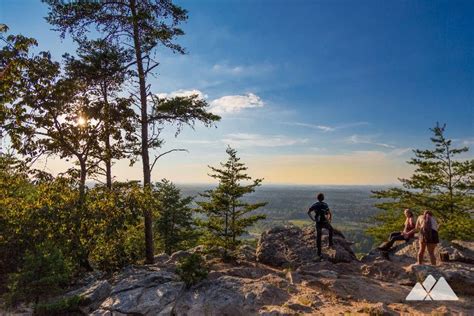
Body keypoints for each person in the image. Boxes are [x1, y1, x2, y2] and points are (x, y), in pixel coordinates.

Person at [307, 193, 333, 258]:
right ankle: (330, 244)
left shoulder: (315, 205)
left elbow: (308, 212)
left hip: (318, 222)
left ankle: (319, 253)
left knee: (319, 236)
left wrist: (313, 219)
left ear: (317, 198)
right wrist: (329, 219)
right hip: (324, 221)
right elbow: (329, 213)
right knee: (331, 229)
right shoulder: (325, 205)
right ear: (323, 198)